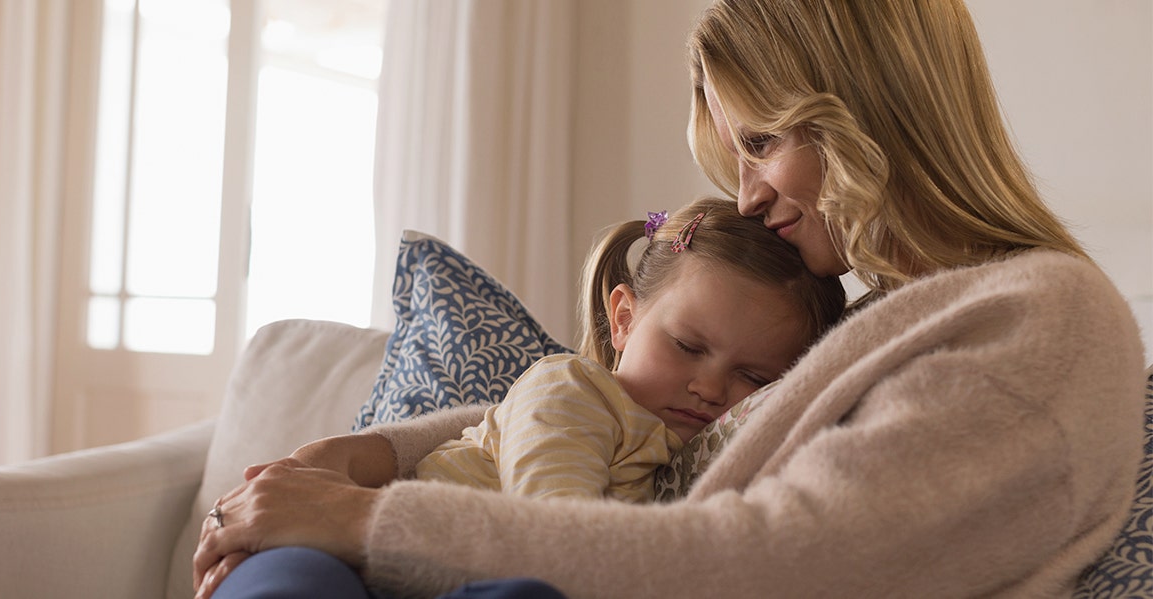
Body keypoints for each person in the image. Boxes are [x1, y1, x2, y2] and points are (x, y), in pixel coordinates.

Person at [194, 2, 1147, 598]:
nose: (748, 195)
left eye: (765, 140)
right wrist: (357, 458)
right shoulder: (890, 312)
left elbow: (766, 562)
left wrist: (363, 519)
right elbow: (619, 421)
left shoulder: (1040, 320)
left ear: (873, 110)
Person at [415, 197, 845, 503]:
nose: (711, 388)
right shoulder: (572, 389)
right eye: (687, 346)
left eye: (754, 377)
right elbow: (551, 524)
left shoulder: (682, 458)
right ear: (624, 319)